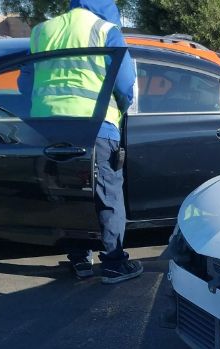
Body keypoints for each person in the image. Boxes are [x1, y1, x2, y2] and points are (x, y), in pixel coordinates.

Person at [27, 0, 140, 283]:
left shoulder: (41, 31)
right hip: (95, 124)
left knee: (67, 193)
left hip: (48, 127)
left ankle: (79, 258)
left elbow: (27, 77)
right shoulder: (105, 30)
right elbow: (125, 83)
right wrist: (122, 111)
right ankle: (114, 263)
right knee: (107, 195)